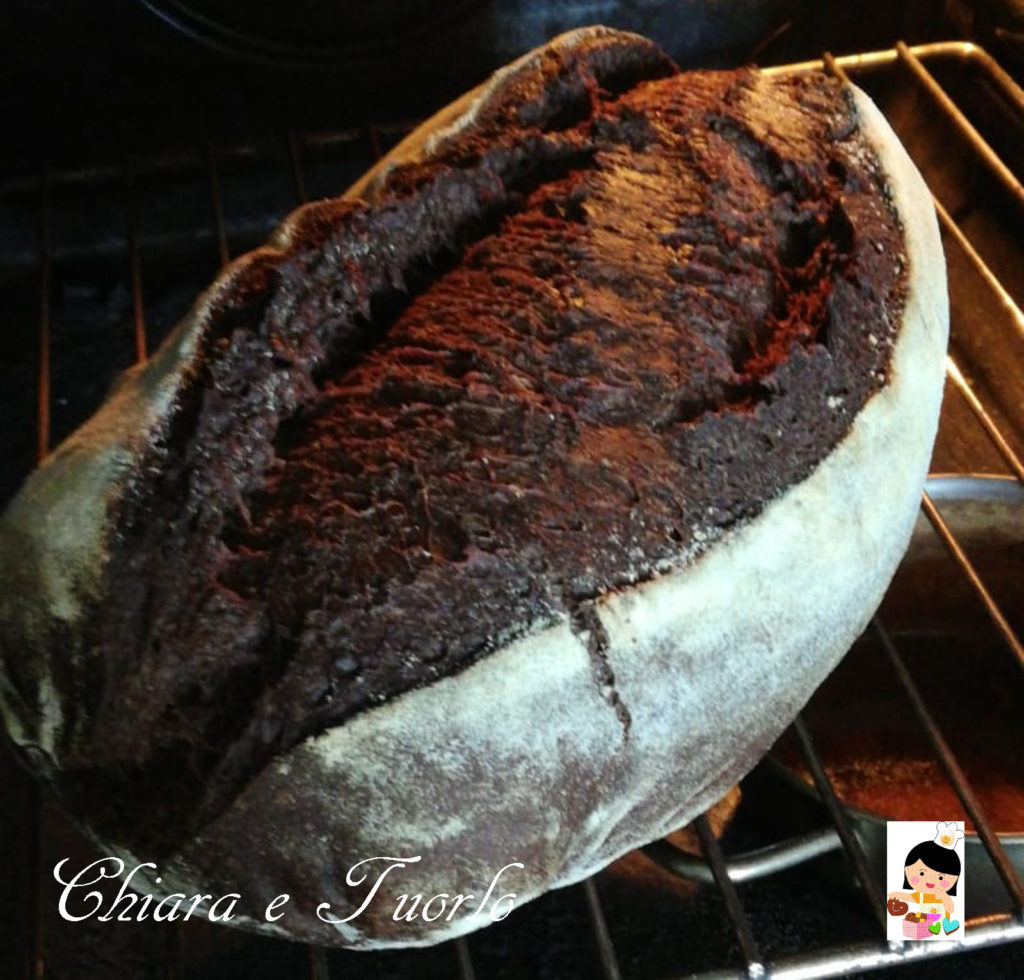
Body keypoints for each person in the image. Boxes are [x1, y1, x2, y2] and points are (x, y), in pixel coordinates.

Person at [887, 822, 962, 928]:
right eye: (922, 873)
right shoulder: (921, 895)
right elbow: (909, 897)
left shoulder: (943, 896)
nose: (930, 880)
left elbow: (950, 909)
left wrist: (945, 898)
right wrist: (896, 895)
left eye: (941, 877)